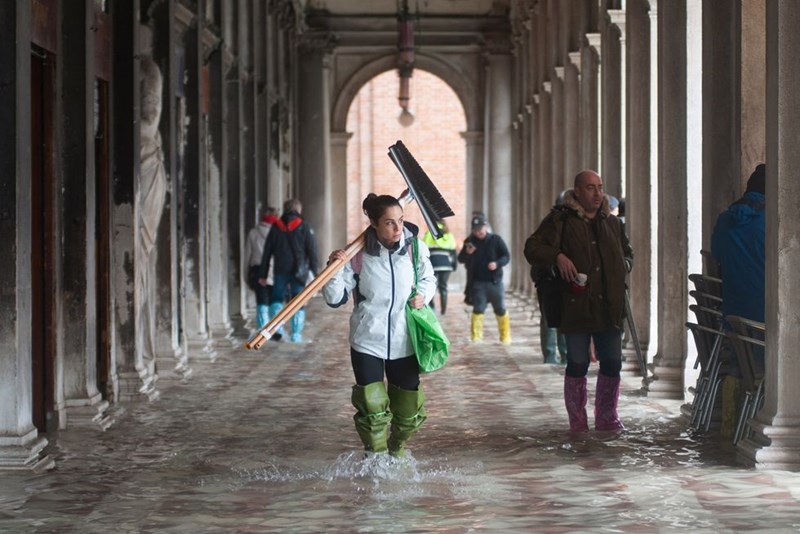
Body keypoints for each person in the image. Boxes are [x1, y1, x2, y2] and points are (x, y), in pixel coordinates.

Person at [323, 194, 436, 457]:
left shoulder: (414, 247)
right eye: (389, 223)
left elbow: (428, 277)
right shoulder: (357, 255)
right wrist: (334, 268)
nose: (397, 229)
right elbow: (334, 298)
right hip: (367, 340)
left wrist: (423, 294)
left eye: (400, 220)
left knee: (408, 410)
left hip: (405, 339)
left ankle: (397, 449)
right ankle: (376, 457)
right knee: (372, 408)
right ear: (373, 223)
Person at [525, 170, 633, 432]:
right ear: (577, 191)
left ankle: (607, 416)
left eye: (600, 187)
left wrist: (624, 266)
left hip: (609, 305)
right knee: (577, 362)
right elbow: (532, 247)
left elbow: (628, 254)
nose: (597, 193)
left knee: (612, 362)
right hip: (576, 304)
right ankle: (578, 419)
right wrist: (557, 256)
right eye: (590, 188)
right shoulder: (560, 220)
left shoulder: (613, 223)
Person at [711, 163, 766, 329]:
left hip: (733, 320)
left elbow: (716, 255)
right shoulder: (772, 224)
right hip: (765, 320)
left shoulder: (724, 220)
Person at [258, 199, 319, 343]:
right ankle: (296, 335)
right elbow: (312, 251)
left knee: (276, 298)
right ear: (298, 210)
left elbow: (267, 252)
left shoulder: (275, 227)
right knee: (297, 300)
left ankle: (277, 329)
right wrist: (314, 272)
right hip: (299, 271)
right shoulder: (304, 226)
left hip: (280, 269)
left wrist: (263, 273)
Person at [458, 214, 512, 344]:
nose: (478, 232)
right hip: (478, 282)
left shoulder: (496, 240)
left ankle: (505, 336)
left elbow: (506, 256)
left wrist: (497, 264)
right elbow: (460, 259)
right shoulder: (469, 241)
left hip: (495, 281)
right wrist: (467, 253)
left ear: (486, 226)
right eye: (475, 230)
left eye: (480, 229)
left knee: (500, 308)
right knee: (478, 309)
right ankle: (476, 336)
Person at [245, 207, 279, 331]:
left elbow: (247, 256)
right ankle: (275, 329)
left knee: (262, 301)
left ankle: (262, 332)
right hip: (275, 271)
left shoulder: (253, 233)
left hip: (258, 270)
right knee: (275, 302)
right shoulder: (279, 233)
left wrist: (246, 276)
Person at [422, 220, 457, 315]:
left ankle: (432, 307)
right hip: (446, 265)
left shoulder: (429, 233)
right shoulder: (449, 235)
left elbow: (424, 249)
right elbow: (453, 251)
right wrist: (454, 266)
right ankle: (443, 310)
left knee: (431, 285)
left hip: (433, 264)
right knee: (443, 287)